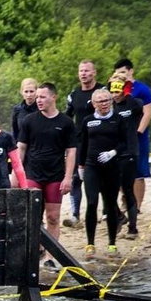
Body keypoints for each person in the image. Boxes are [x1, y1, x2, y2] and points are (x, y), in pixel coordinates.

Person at [18, 82, 76, 266]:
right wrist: (17, 175)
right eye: (37, 97)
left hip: (55, 175)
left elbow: (71, 151)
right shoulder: (29, 120)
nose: (38, 100)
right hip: (33, 173)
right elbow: (21, 149)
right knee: (32, 216)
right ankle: (33, 251)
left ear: (53, 97)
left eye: (42, 97)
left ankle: (51, 257)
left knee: (53, 217)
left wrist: (68, 177)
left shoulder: (66, 122)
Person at [78, 88, 132, 260]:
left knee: (110, 204)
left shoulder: (118, 119)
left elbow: (125, 142)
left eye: (107, 100)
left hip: (112, 166)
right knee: (92, 203)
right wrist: (80, 166)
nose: (104, 104)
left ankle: (112, 243)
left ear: (111, 101)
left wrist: (113, 152)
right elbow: (83, 144)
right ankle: (90, 244)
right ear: (94, 103)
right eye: (100, 101)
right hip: (92, 166)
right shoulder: (88, 121)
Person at [62, 60, 108, 228]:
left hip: (100, 140)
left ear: (94, 73)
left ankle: (106, 212)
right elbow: (67, 117)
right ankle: (75, 215)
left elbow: (112, 113)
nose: (83, 74)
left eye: (87, 71)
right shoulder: (74, 94)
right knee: (75, 179)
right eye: (81, 71)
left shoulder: (103, 91)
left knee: (101, 178)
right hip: (79, 141)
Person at [112, 58, 151, 212]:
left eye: (123, 72)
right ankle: (126, 200)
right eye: (118, 73)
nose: (121, 75)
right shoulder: (114, 88)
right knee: (120, 171)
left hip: (138, 137)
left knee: (138, 172)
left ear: (131, 71)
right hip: (119, 137)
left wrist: (138, 133)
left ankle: (137, 206)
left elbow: (147, 114)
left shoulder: (142, 89)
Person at [109, 77, 144, 239]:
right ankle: (119, 217)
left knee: (128, 190)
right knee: (109, 189)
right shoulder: (110, 107)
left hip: (129, 152)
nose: (115, 95)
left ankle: (133, 227)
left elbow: (140, 109)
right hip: (113, 153)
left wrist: (128, 89)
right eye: (113, 91)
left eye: (118, 91)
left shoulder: (133, 104)